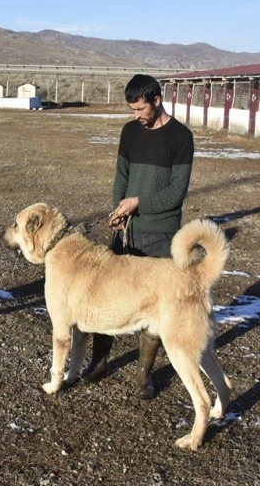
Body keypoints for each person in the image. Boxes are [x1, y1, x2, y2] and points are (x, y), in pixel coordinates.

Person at [83, 74, 194, 400]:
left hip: (161, 234)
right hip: (127, 232)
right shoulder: (130, 131)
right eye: (132, 109)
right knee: (106, 299)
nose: (136, 115)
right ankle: (99, 364)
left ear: (157, 100)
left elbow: (177, 192)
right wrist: (119, 208)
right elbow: (123, 174)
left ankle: (143, 377)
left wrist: (139, 204)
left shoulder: (181, 137)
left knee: (154, 308)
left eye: (140, 109)